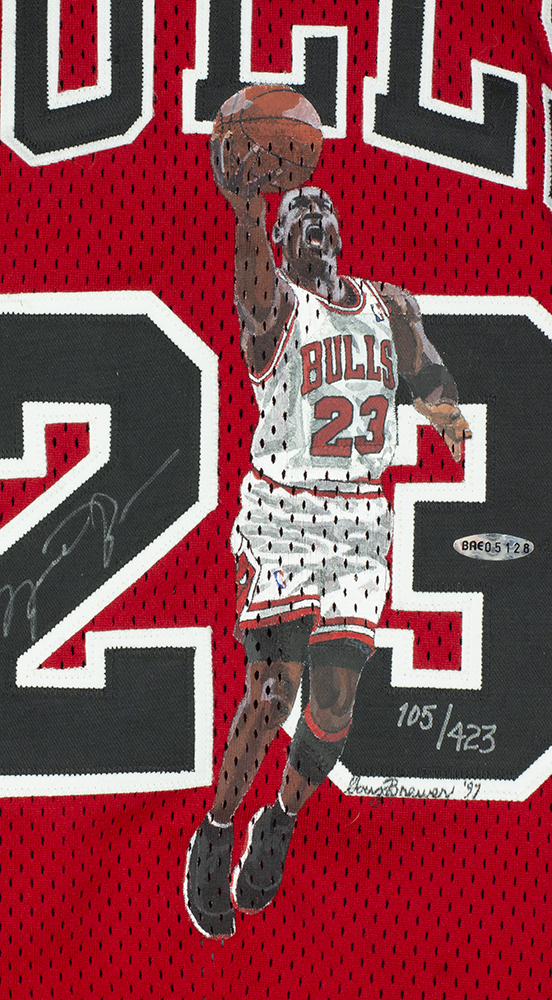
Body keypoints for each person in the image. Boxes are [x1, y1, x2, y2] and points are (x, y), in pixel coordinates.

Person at [185, 151, 471, 938]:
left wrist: (450, 418)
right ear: (281, 242)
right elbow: (249, 291)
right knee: (271, 694)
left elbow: (429, 377)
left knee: (334, 701)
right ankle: (215, 829)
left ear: (341, 233)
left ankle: (278, 820)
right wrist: (248, 210)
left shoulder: (390, 306)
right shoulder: (275, 307)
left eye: (324, 212)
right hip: (283, 516)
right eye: (297, 215)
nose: (315, 218)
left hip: (358, 524)